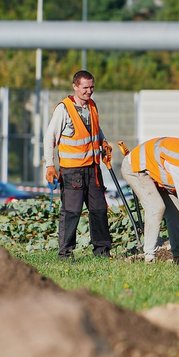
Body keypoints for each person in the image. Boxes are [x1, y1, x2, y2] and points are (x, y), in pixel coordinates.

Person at [44, 70, 113, 259]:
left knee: (99, 210)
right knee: (71, 212)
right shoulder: (64, 109)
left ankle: (102, 251)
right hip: (72, 171)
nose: (89, 91)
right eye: (85, 88)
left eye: (92, 87)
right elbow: (49, 137)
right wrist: (50, 165)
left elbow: (96, 130)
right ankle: (65, 253)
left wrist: (104, 143)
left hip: (93, 169)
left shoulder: (92, 106)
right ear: (75, 86)